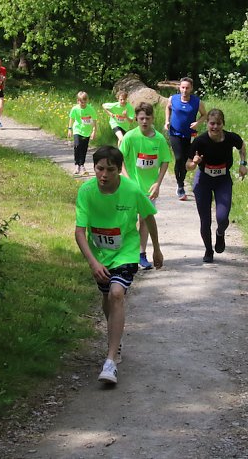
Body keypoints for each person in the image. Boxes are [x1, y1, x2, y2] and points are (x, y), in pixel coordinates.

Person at [75, 145, 163, 385]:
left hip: (125, 252)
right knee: (107, 298)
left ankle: (111, 360)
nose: (104, 174)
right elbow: (80, 232)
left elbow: (149, 218)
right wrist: (93, 262)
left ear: (118, 170)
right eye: (99, 169)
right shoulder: (86, 191)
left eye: (110, 170)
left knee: (116, 294)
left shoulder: (132, 190)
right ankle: (115, 339)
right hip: (100, 255)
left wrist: (156, 248)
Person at [186, 108, 248, 263]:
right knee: (205, 220)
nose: (215, 127)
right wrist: (194, 163)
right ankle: (208, 250)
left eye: (218, 124)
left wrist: (243, 164)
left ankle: (220, 233)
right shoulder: (200, 141)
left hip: (222, 180)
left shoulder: (231, 138)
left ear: (223, 124)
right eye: (212, 123)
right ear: (207, 124)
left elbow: (242, 147)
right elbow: (188, 165)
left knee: (222, 217)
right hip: (203, 181)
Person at [119, 102, 170, 270]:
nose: (144, 122)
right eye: (141, 118)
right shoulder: (130, 137)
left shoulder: (159, 139)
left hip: (149, 189)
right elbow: (119, 160)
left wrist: (158, 183)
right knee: (129, 220)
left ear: (153, 118)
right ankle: (126, 253)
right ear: (136, 119)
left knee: (145, 220)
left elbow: (164, 161)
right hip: (130, 187)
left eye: (147, 118)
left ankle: (141, 254)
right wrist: (127, 180)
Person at [164, 77, 207, 201]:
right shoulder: (173, 99)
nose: (184, 90)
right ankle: (180, 185)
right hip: (175, 133)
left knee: (186, 160)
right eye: (182, 87)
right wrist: (167, 121)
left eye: (187, 88)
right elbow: (168, 107)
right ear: (179, 88)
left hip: (190, 135)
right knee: (178, 158)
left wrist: (197, 123)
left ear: (191, 89)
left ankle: (181, 181)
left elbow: (205, 115)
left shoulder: (197, 102)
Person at [67, 91, 98, 176]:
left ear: (87, 101)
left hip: (87, 132)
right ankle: (77, 165)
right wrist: (69, 129)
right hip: (77, 130)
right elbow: (71, 118)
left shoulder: (90, 109)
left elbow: (94, 120)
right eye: (81, 102)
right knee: (77, 146)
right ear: (78, 101)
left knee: (84, 148)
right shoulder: (75, 109)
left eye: (84, 102)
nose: (83, 104)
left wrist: (94, 131)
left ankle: (82, 165)